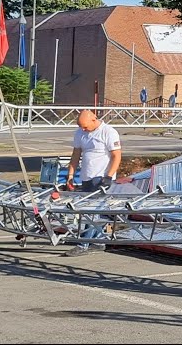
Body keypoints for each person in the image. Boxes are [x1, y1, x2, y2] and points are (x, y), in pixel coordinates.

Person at [62, 109, 122, 257]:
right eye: (81, 127)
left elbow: (116, 156)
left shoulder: (108, 132)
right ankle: (99, 241)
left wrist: (109, 176)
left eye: (85, 126)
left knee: (91, 211)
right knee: (94, 211)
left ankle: (83, 244)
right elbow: (76, 155)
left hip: (101, 177)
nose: (83, 129)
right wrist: (70, 175)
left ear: (94, 120)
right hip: (86, 177)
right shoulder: (80, 133)